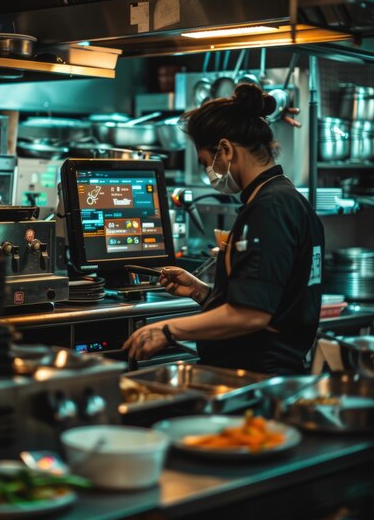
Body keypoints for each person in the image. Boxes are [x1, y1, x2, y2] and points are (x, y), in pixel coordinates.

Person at [123, 83, 324, 375]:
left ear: (226, 150)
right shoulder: (281, 197)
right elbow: (264, 298)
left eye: (207, 162)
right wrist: (202, 292)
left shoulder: (270, 208)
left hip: (255, 377)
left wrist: (167, 330)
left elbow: (251, 314)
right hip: (257, 372)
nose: (210, 172)